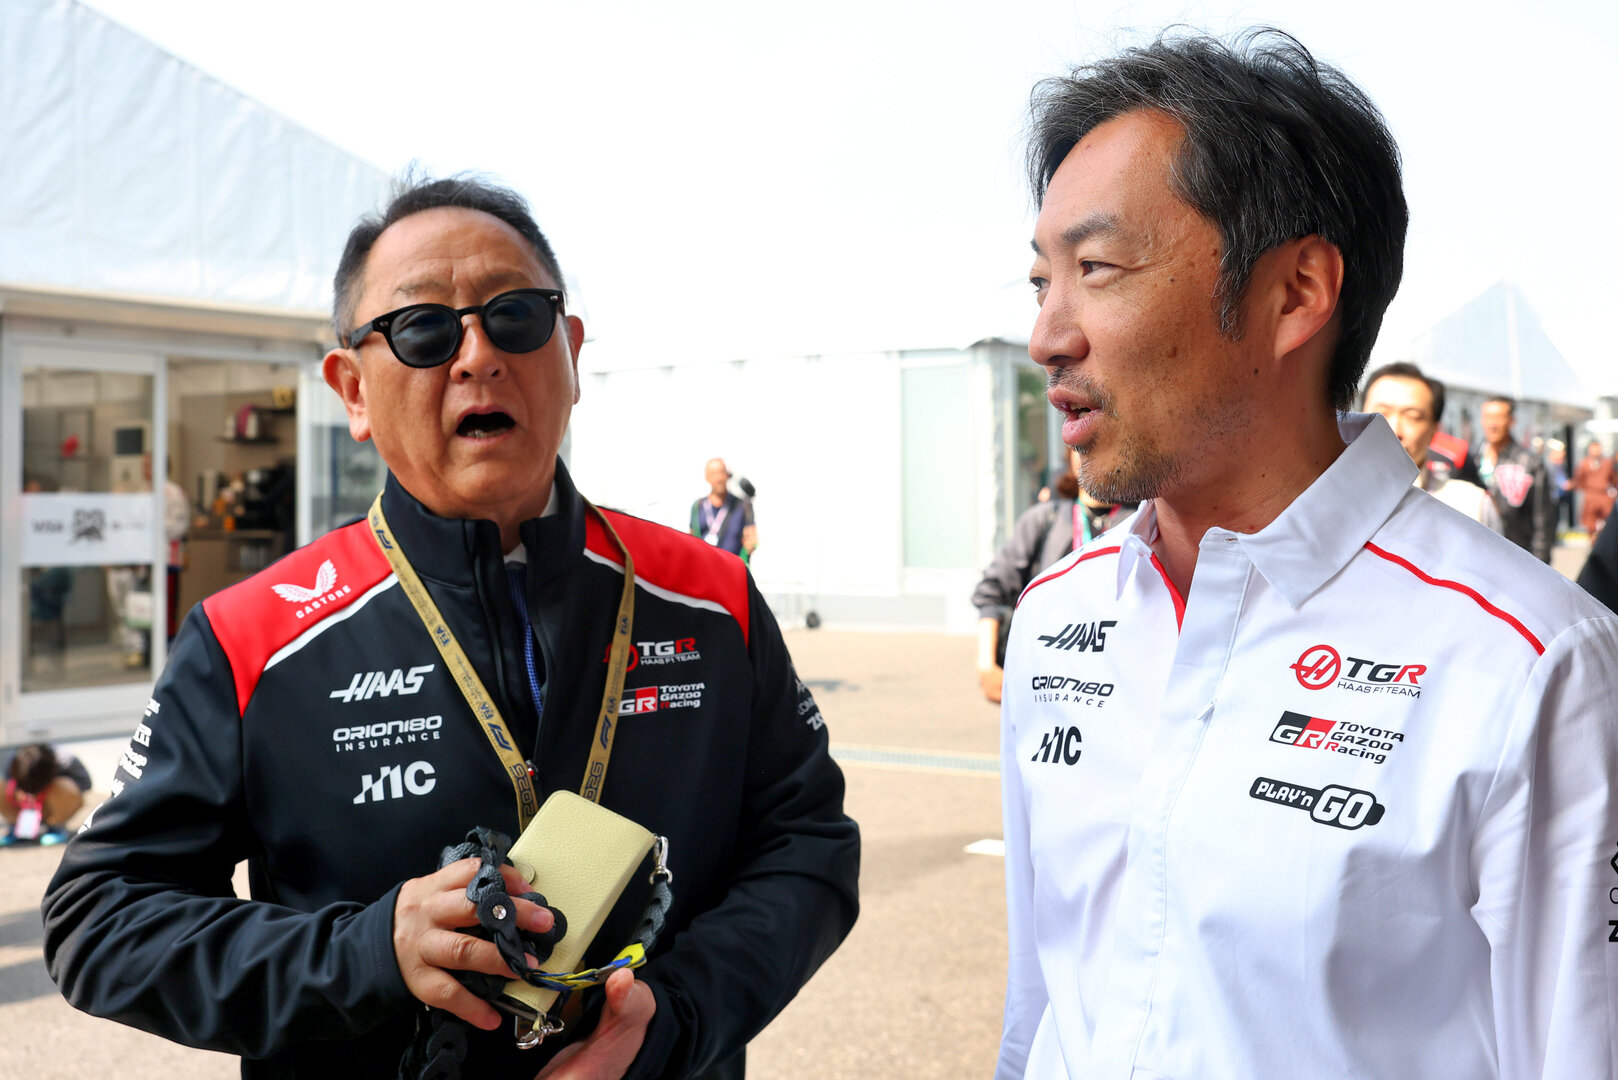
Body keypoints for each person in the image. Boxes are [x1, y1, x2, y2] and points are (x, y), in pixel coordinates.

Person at [43, 175, 859, 1080]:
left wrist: (673, 1019)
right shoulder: (251, 638)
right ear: (352, 389)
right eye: (424, 329)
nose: (477, 354)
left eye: (515, 315)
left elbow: (809, 845)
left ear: (572, 352)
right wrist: (366, 954)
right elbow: (101, 917)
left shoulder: (711, 599)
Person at [1000, 29, 1618, 1080]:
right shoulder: (1057, 615)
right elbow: (1042, 1010)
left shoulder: (1528, 665)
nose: (1048, 336)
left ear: (1295, 293)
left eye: (1096, 269)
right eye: (1038, 280)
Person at [972, 449, 1126, 702]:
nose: (1090, 450)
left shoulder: (1144, 521)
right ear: (1068, 457)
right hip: (1049, 681)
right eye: (1080, 446)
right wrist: (986, 667)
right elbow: (991, 590)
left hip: (1116, 680)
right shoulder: (1044, 519)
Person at [1359, 362, 1501, 532]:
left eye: (1412, 417)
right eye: (1381, 413)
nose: (1394, 430)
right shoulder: (1325, 491)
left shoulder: (1470, 508)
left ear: (1434, 430)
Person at [1475, 396, 1554, 562]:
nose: (1492, 424)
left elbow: (1543, 520)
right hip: (1477, 556)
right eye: (1488, 417)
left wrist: (1539, 565)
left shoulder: (1530, 464)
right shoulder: (1474, 459)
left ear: (1511, 421)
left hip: (1516, 558)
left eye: (1499, 417)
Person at [2, 743, 91, 846]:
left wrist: (48, 789)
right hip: (21, 806)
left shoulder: (66, 760)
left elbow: (86, 784)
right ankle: (16, 827)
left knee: (63, 785)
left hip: (51, 807)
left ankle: (57, 827)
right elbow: (6, 781)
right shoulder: (15, 759)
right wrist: (17, 790)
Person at [690, 458, 757, 562]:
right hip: (705, 568)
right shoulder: (697, 506)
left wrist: (751, 544)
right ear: (707, 477)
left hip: (732, 569)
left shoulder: (743, 506)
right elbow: (691, 538)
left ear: (727, 475)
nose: (719, 478)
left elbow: (752, 537)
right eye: (714, 474)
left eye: (721, 472)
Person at [1571, 439, 1616, 539]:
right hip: (1591, 495)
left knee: (1607, 520)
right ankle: (1593, 543)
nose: (1595, 451)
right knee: (1589, 522)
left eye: (1597, 449)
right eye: (1593, 449)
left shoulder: (1607, 463)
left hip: (1604, 495)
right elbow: (1579, 479)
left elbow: (1613, 478)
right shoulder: (1584, 464)